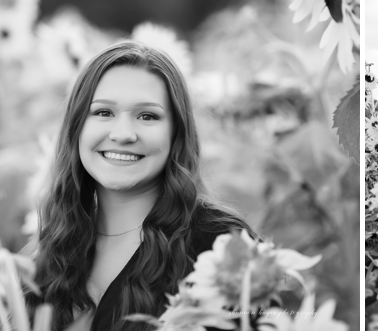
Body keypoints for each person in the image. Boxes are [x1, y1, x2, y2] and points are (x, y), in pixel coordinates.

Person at [23, 41, 257, 331]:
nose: (122, 134)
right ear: (76, 128)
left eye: (147, 116)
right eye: (103, 112)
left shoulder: (220, 243)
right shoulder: (54, 250)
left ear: (176, 134)